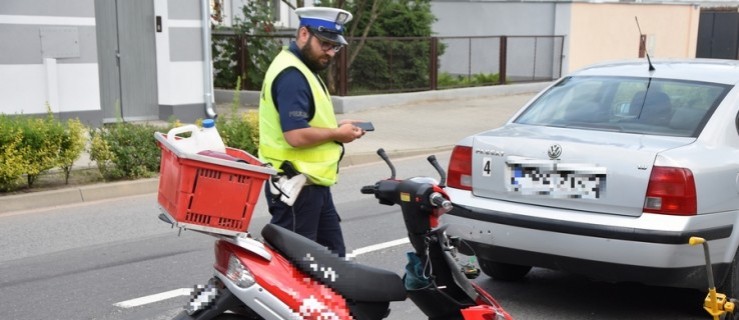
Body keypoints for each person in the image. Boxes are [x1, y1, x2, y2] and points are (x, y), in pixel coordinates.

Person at [258, 7, 366, 258]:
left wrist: (338, 127)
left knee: (332, 260)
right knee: (297, 267)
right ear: (304, 34)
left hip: (310, 184)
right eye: (325, 44)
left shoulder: (301, 67)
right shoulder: (292, 75)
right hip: (295, 186)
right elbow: (295, 135)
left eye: (335, 47)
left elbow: (307, 119)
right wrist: (338, 134)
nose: (330, 52)